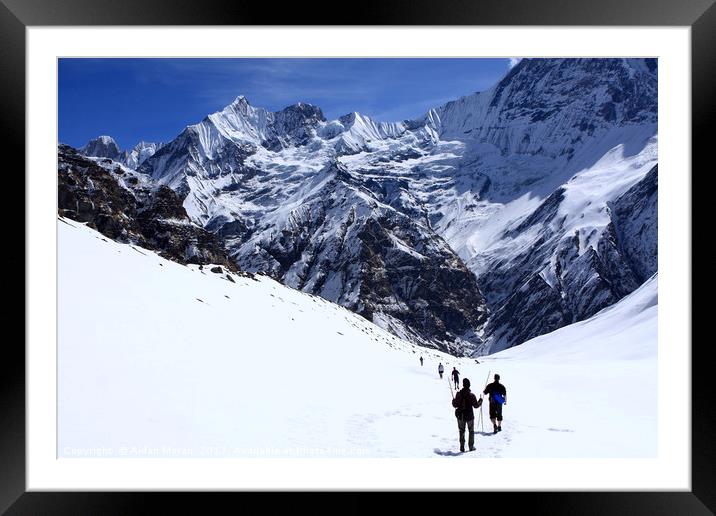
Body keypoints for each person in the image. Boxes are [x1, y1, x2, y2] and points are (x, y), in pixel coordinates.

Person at [452, 378, 482, 452]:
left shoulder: (458, 394)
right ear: (469, 385)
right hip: (469, 416)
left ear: (463, 384)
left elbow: (455, 405)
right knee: (471, 431)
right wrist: (480, 401)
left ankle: (462, 446)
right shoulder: (471, 395)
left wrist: (453, 401)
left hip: (460, 416)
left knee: (461, 431)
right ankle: (471, 447)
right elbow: (476, 406)